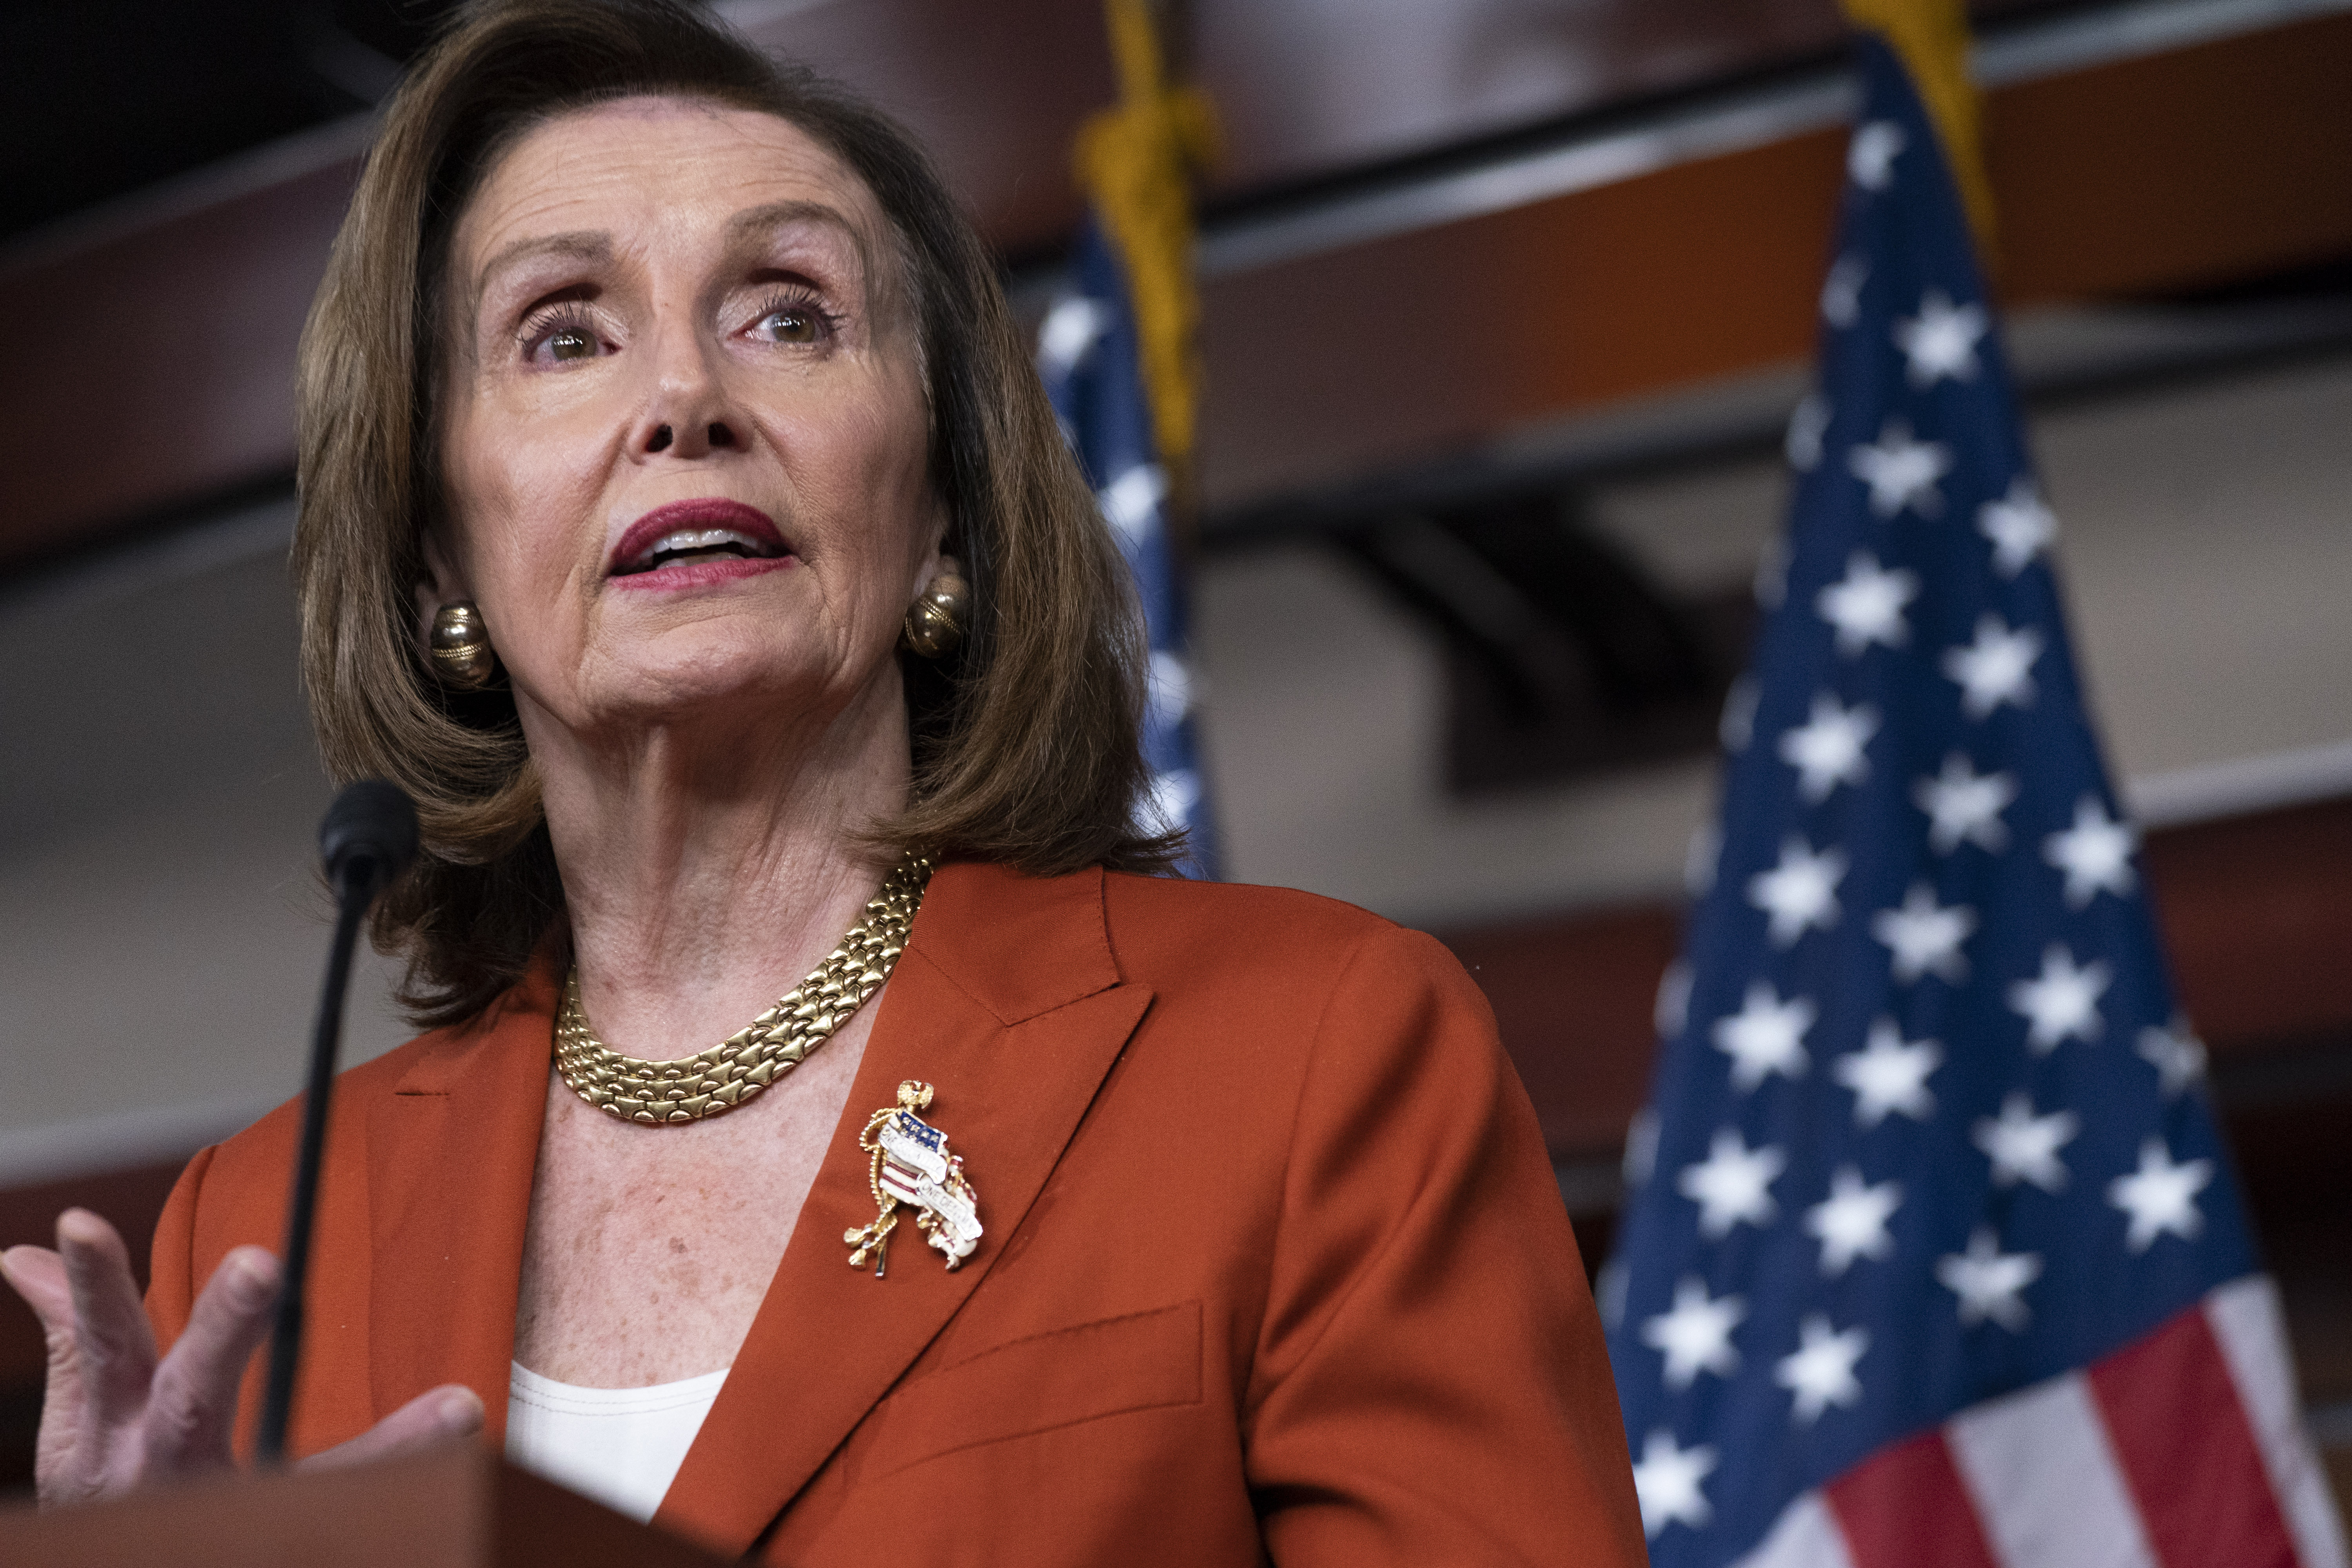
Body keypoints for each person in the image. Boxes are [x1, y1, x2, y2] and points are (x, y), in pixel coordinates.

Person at [0, 2, 1644, 1560]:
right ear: (442, 556)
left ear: (939, 513)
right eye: (563, 335)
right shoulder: (262, 1227)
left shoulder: (1310, 1055)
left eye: (790, 315)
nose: (684, 400)